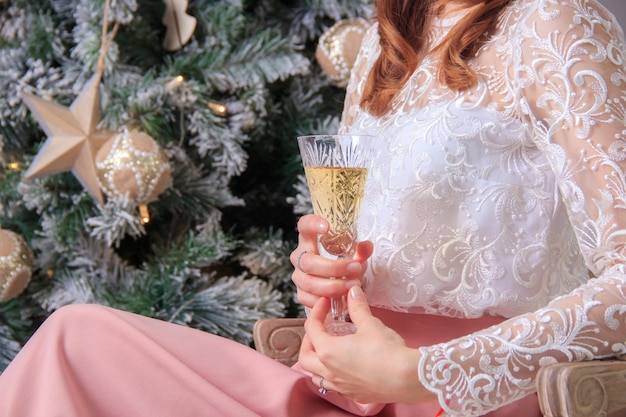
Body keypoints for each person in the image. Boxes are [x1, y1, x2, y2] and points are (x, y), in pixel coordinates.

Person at [1, 0, 625, 416]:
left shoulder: (556, 22)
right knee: (72, 342)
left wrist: (429, 371)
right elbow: (351, 238)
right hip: (340, 391)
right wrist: (321, 271)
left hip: (461, 396)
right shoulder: (385, 48)